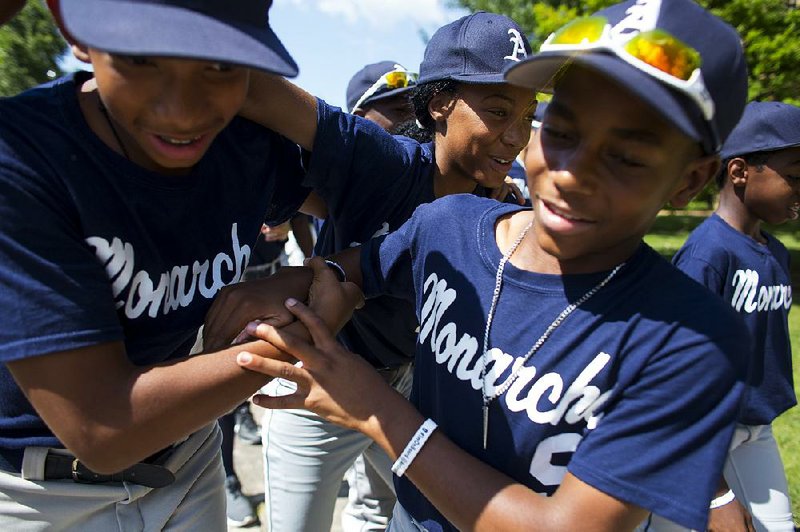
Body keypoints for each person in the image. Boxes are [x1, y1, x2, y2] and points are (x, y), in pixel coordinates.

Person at [225, 0, 755, 530]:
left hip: (380, 391)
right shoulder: (448, 219)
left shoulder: (694, 337)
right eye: (563, 130)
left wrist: (373, 407)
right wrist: (300, 285)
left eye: (629, 157)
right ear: (437, 105)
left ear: (689, 181)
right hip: (335, 379)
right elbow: (355, 266)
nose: (572, 173)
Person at [0, 0, 363, 530]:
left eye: (220, 66)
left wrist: (316, 270)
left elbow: (396, 200)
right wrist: (309, 320)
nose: (183, 112)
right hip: (39, 494)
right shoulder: (23, 156)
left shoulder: (244, 144)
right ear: (74, 31)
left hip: (189, 460)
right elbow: (104, 428)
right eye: (142, 58)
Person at [211, 15, 532, 531]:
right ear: (439, 104)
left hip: (407, 391)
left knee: (425, 518)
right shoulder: (382, 162)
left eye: (528, 115)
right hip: (317, 384)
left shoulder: (501, 205)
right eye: (498, 110)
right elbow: (254, 91)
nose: (517, 136)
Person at [262, 60, 419, 532]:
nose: (410, 117)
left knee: (382, 512)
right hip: (318, 381)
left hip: (402, 385)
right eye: (392, 108)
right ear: (358, 121)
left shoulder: (434, 178)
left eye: (414, 105)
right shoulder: (344, 183)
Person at [643, 101, 799, 532]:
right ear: (739, 172)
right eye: (795, 176)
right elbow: (672, 370)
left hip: (754, 428)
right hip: (700, 431)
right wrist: (719, 493)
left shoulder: (775, 251)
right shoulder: (709, 254)